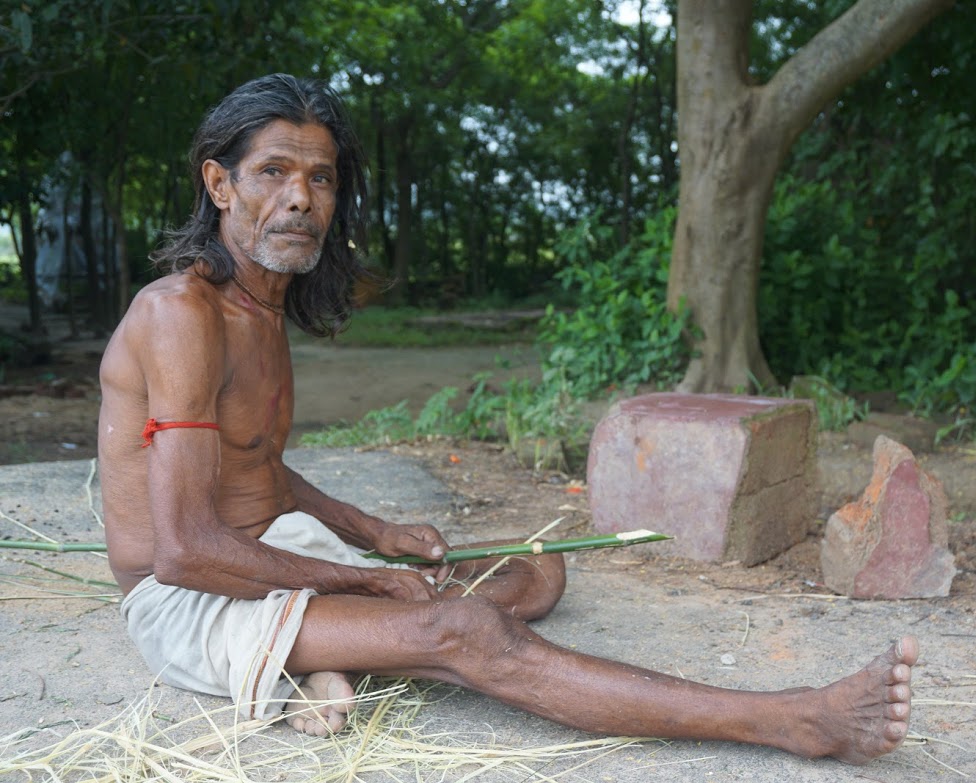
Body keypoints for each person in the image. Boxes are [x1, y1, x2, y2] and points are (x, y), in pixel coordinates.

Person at [97, 73, 918, 764]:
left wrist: (378, 532)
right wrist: (363, 576)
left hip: (270, 557)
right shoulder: (181, 315)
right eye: (273, 172)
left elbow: (256, 466)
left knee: (536, 571)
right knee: (470, 630)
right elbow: (183, 550)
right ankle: (791, 718)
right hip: (192, 601)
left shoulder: (260, 305)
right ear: (219, 184)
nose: (300, 199)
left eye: (321, 179)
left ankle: (342, 655)